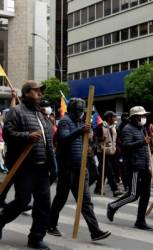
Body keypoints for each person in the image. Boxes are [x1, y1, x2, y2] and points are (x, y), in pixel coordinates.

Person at [0, 80, 57, 250]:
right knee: (23, 201)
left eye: (41, 91)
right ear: (27, 92)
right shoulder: (16, 112)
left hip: (42, 167)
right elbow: (8, 134)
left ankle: (36, 238)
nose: (40, 94)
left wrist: (53, 164)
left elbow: (49, 142)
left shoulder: (42, 115)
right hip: (24, 166)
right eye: (37, 91)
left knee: (43, 204)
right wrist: (27, 136)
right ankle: (0, 219)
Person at [48, 98, 111, 241]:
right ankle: (50, 224)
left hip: (81, 167)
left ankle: (95, 231)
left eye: (82, 111)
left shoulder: (81, 122)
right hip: (67, 167)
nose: (80, 113)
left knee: (86, 201)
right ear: (71, 110)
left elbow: (85, 141)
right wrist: (80, 131)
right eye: (78, 111)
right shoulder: (65, 121)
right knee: (61, 198)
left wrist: (89, 136)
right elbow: (64, 139)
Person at [107, 106, 153, 231]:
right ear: (134, 117)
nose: (143, 118)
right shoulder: (128, 129)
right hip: (134, 166)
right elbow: (126, 146)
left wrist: (149, 163)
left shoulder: (142, 128)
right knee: (133, 194)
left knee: (146, 194)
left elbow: (145, 147)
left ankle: (140, 221)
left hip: (144, 165)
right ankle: (112, 206)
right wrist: (142, 142)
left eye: (144, 116)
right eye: (140, 116)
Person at [94, 111, 123, 197]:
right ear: (109, 118)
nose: (115, 119)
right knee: (110, 171)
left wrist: (119, 148)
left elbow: (117, 139)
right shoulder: (100, 126)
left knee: (104, 171)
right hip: (103, 152)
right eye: (113, 117)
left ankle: (98, 188)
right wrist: (100, 138)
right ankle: (115, 189)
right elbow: (94, 138)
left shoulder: (114, 127)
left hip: (112, 152)